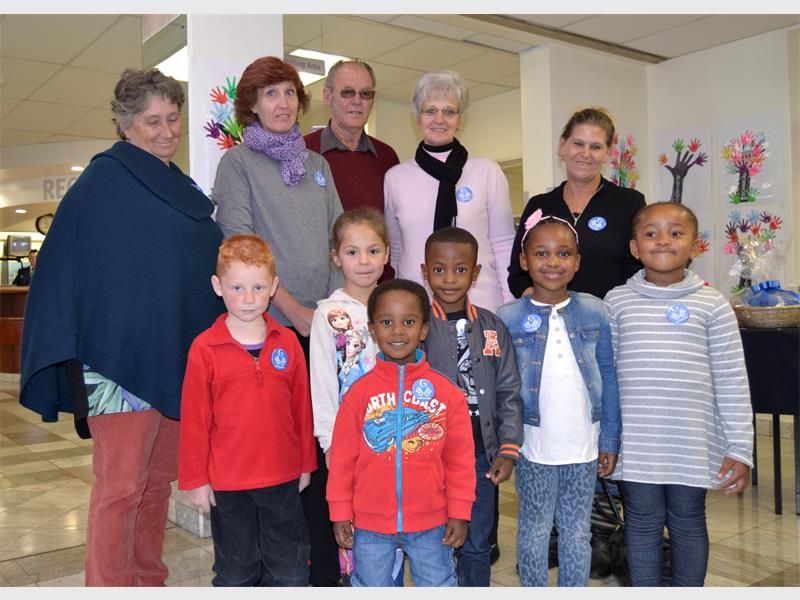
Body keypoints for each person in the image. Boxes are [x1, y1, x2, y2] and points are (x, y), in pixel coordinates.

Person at [18, 67, 224, 586]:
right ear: (126, 123)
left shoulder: (180, 184)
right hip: (117, 365)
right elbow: (66, 267)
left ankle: (148, 581)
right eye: (153, 121)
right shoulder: (102, 182)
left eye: (173, 118)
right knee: (121, 487)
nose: (166, 131)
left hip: (173, 357)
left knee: (156, 484)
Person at [212, 55, 344, 586]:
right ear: (252, 104)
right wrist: (292, 311)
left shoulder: (318, 165)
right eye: (270, 94)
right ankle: (273, 576)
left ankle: (321, 574)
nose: (282, 103)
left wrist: (332, 311)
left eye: (289, 92)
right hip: (271, 329)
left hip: (323, 326)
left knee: (321, 451)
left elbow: (337, 239)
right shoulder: (237, 164)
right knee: (281, 454)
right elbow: (241, 246)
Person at [603, 202, 753, 587]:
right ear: (635, 247)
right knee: (641, 521)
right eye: (651, 233)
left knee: (688, 520)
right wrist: (606, 439)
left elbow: (732, 379)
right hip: (637, 442)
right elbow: (605, 378)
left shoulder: (712, 303)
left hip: (691, 442)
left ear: (694, 245)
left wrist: (740, 448)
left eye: (675, 232)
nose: (663, 240)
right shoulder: (616, 302)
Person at [178, 234, 316, 587]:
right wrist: (196, 479)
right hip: (229, 483)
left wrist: (305, 463)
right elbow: (195, 420)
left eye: (258, 287)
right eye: (237, 288)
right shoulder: (204, 348)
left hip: (282, 478)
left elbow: (302, 408)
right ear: (218, 286)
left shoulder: (288, 343)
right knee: (236, 573)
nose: (249, 298)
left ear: (274, 287)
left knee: (290, 572)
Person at [497, 210, 620, 587]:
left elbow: (609, 375)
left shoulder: (596, 310)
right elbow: (503, 386)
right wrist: (505, 442)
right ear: (524, 261)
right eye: (542, 253)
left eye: (563, 254)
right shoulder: (508, 317)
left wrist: (609, 439)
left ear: (577, 262)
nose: (553, 262)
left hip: (583, 445)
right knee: (534, 531)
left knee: (577, 532)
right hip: (533, 447)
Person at [326, 279, 476, 587]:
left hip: (431, 523)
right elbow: (342, 461)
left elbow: (460, 461)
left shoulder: (448, 394)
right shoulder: (358, 394)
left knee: (438, 585)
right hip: (370, 524)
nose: (397, 331)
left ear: (423, 329)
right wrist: (339, 511)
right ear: (372, 329)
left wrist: (460, 512)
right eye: (386, 322)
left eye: (408, 322)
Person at [419, 226, 523, 586]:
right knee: (433, 543)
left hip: (481, 455)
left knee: (477, 544)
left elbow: (509, 390)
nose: (450, 279)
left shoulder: (493, 327)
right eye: (439, 269)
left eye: (461, 269)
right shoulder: (417, 328)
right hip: (430, 456)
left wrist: (507, 449)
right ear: (425, 271)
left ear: (475, 273)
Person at [384, 70, 516, 313]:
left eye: (449, 111)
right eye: (430, 111)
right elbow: (397, 251)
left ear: (460, 119)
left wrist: (509, 306)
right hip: (417, 307)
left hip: (480, 305)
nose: (439, 119)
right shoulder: (395, 178)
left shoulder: (487, 171)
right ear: (417, 118)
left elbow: (504, 244)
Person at [507, 107, 646, 301]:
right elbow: (517, 273)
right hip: (547, 317)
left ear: (608, 153)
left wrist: (605, 310)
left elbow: (638, 270)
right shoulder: (539, 205)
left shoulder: (629, 203)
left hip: (608, 316)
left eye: (596, 147)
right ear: (562, 146)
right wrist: (542, 305)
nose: (585, 153)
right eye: (578, 143)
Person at [304, 60, 399, 281]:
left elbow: (393, 231)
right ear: (328, 96)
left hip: (376, 285)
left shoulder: (387, 157)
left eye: (366, 94)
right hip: (321, 286)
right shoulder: (303, 152)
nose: (357, 101)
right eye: (348, 92)